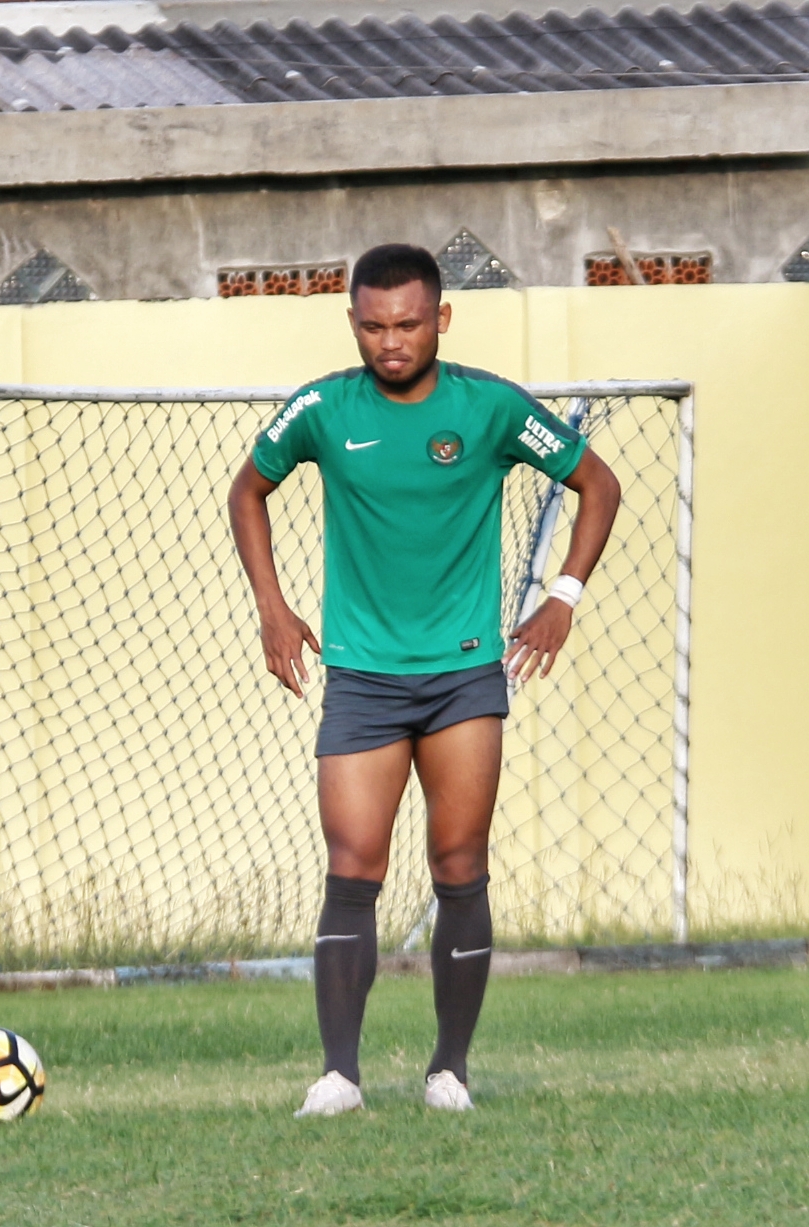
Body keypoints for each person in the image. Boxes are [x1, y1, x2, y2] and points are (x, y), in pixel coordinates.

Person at [228, 243, 621, 1118]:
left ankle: (450, 1071)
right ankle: (338, 1077)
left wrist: (562, 594)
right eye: (372, 326)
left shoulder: (489, 408)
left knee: (458, 864)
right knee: (352, 866)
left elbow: (597, 482)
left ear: (440, 318)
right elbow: (245, 491)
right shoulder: (322, 408)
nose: (390, 341)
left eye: (407, 324)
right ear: (353, 323)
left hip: (462, 676)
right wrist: (272, 605)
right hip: (362, 679)